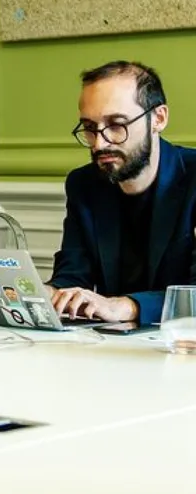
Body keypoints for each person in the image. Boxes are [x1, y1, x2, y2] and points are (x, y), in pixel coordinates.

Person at [48, 61, 196, 326]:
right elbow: (72, 275)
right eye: (90, 128)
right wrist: (43, 294)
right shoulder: (84, 184)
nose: (99, 143)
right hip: (112, 346)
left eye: (116, 125)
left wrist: (127, 307)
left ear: (158, 119)